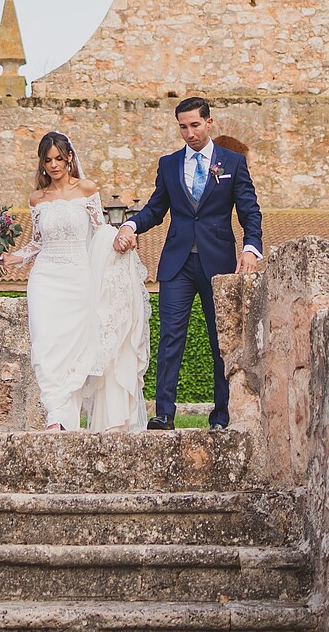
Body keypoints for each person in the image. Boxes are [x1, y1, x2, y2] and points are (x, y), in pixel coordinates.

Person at [114, 96, 263, 429]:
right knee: (170, 338)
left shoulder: (232, 162)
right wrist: (130, 225)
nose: (190, 133)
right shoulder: (169, 164)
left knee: (221, 341)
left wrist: (251, 248)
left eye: (195, 125)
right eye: (183, 127)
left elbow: (250, 211)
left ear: (209, 122)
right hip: (176, 264)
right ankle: (164, 414)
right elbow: (155, 209)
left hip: (219, 264)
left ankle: (221, 416)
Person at [0, 130, 149, 430]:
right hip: (45, 277)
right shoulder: (37, 198)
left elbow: (100, 230)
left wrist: (119, 240)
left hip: (79, 277)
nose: (54, 165)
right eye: (48, 160)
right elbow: (37, 242)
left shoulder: (87, 190)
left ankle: (64, 420)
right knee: (44, 347)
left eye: (58, 158)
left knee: (75, 350)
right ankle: (55, 416)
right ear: (42, 163)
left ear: (69, 158)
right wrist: (12, 257)